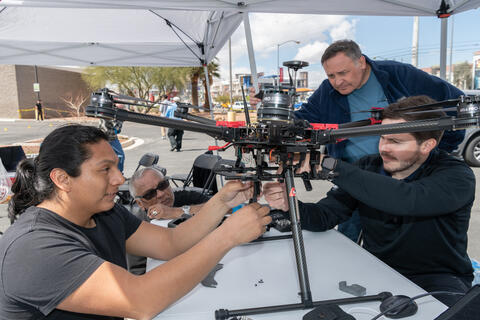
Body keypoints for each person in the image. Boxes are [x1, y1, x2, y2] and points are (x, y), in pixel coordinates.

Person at [1, 124, 271, 319]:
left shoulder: (103, 212)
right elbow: (140, 301)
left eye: (117, 166)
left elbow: (170, 242)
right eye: (105, 169)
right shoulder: (33, 247)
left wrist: (222, 202)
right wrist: (227, 236)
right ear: (62, 179)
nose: (120, 179)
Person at [263, 96, 475, 307]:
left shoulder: (456, 175)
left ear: (427, 145)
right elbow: (325, 216)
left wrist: (330, 165)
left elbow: (407, 199)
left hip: (439, 278)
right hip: (377, 269)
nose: (384, 148)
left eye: (395, 141)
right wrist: (290, 205)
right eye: (382, 137)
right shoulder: (368, 167)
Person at [251, 39, 465, 242]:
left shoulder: (399, 75)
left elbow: (456, 105)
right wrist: (271, 110)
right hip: (355, 175)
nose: (337, 81)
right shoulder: (327, 91)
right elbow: (302, 121)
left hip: (404, 172)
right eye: (331, 75)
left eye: (343, 72)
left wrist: (430, 156)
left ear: (361, 62)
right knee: (348, 239)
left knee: (412, 238)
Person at [126, 166, 211, 274]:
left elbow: (224, 208)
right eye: (150, 194)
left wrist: (176, 212)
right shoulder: (136, 227)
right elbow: (137, 273)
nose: (161, 194)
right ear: (140, 203)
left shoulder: (183, 198)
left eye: (162, 185)